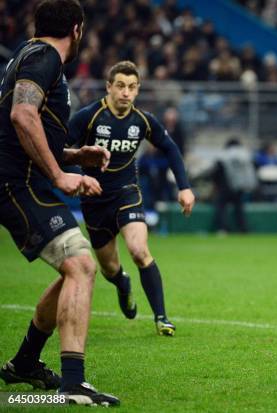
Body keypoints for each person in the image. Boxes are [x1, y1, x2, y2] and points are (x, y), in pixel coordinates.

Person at [0, 0, 119, 405]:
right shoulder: (46, 55)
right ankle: (72, 382)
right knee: (83, 264)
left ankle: (26, 364)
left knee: (75, 268)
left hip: (21, 179)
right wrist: (59, 174)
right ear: (77, 29)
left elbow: (27, 128)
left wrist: (73, 156)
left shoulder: (28, 55)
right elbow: (21, 116)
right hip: (19, 184)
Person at [68, 61, 195, 336]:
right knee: (109, 267)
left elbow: (170, 149)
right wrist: (73, 176)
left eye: (132, 87)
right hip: (94, 200)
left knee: (139, 250)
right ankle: (122, 284)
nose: (126, 92)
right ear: (109, 87)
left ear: (137, 90)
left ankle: (162, 317)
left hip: (127, 193)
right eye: (121, 86)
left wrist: (184, 187)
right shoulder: (88, 117)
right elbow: (60, 150)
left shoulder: (143, 120)